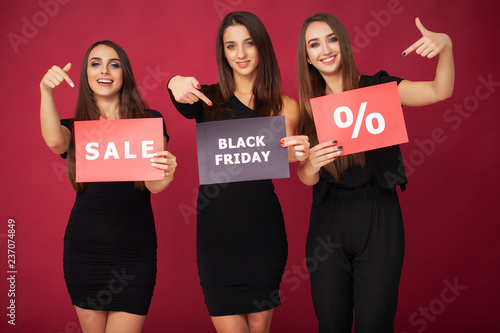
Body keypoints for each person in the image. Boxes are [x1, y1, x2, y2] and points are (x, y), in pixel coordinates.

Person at [296, 13, 454, 333]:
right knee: (331, 323)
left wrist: (447, 47)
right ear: (308, 58)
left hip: (379, 215)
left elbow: (440, 91)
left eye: (332, 39)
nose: (325, 49)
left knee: (376, 323)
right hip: (328, 220)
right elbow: (307, 177)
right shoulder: (307, 108)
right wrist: (310, 165)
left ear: (344, 44)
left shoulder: (377, 88)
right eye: (314, 44)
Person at [167, 11, 309, 333]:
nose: (241, 54)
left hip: (263, 235)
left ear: (262, 47)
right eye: (231, 46)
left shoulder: (284, 105)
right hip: (216, 237)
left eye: (248, 44)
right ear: (223, 53)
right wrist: (173, 81)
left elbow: (282, 154)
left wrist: (298, 152)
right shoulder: (207, 98)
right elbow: (176, 94)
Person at [40, 40, 176, 333]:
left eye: (114, 64)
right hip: (85, 250)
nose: (105, 70)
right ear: (85, 75)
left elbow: (154, 184)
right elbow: (54, 142)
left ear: (124, 72)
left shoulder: (149, 121)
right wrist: (46, 91)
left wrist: (167, 174)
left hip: (135, 251)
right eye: (95, 63)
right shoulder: (76, 127)